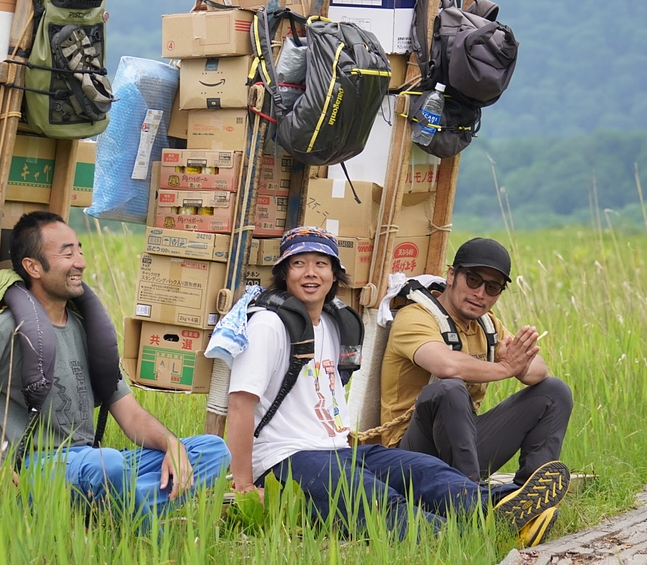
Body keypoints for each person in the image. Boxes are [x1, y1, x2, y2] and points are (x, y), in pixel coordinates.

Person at [226, 227, 568, 539]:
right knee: (375, 497)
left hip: (339, 450)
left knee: (426, 473)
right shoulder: (268, 326)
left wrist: (514, 361)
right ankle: (468, 538)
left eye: (321, 264)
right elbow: (241, 404)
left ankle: (508, 506)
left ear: (334, 275)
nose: (311, 272)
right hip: (285, 458)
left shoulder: (332, 325)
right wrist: (243, 483)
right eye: (299, 263)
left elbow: (538, 372)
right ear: (285, 273)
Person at [0, 211, 229, 524]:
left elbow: (133, 416)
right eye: (67, 253)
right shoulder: (4, 329)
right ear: (33, 267)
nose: (80, 262)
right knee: (108, 464)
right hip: (36, 468)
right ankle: (130, 520)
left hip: (90, 464)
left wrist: (173, 446)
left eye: (80, 251)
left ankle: (105, 506)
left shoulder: (87, 330)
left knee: (212, 451)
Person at [378, 236, 572, 539]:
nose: (480, 293)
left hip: (460, 448)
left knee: (554, 391)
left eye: (492, 288)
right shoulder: (414, 316)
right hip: (408, 458)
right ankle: (477, 508)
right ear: (452, 276)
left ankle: (525, 502)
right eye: (473, 280)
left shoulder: (487, 324)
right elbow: (446, 366)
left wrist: (515, 363)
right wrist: (505, 368)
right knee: (449, 389)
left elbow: (538, 370)